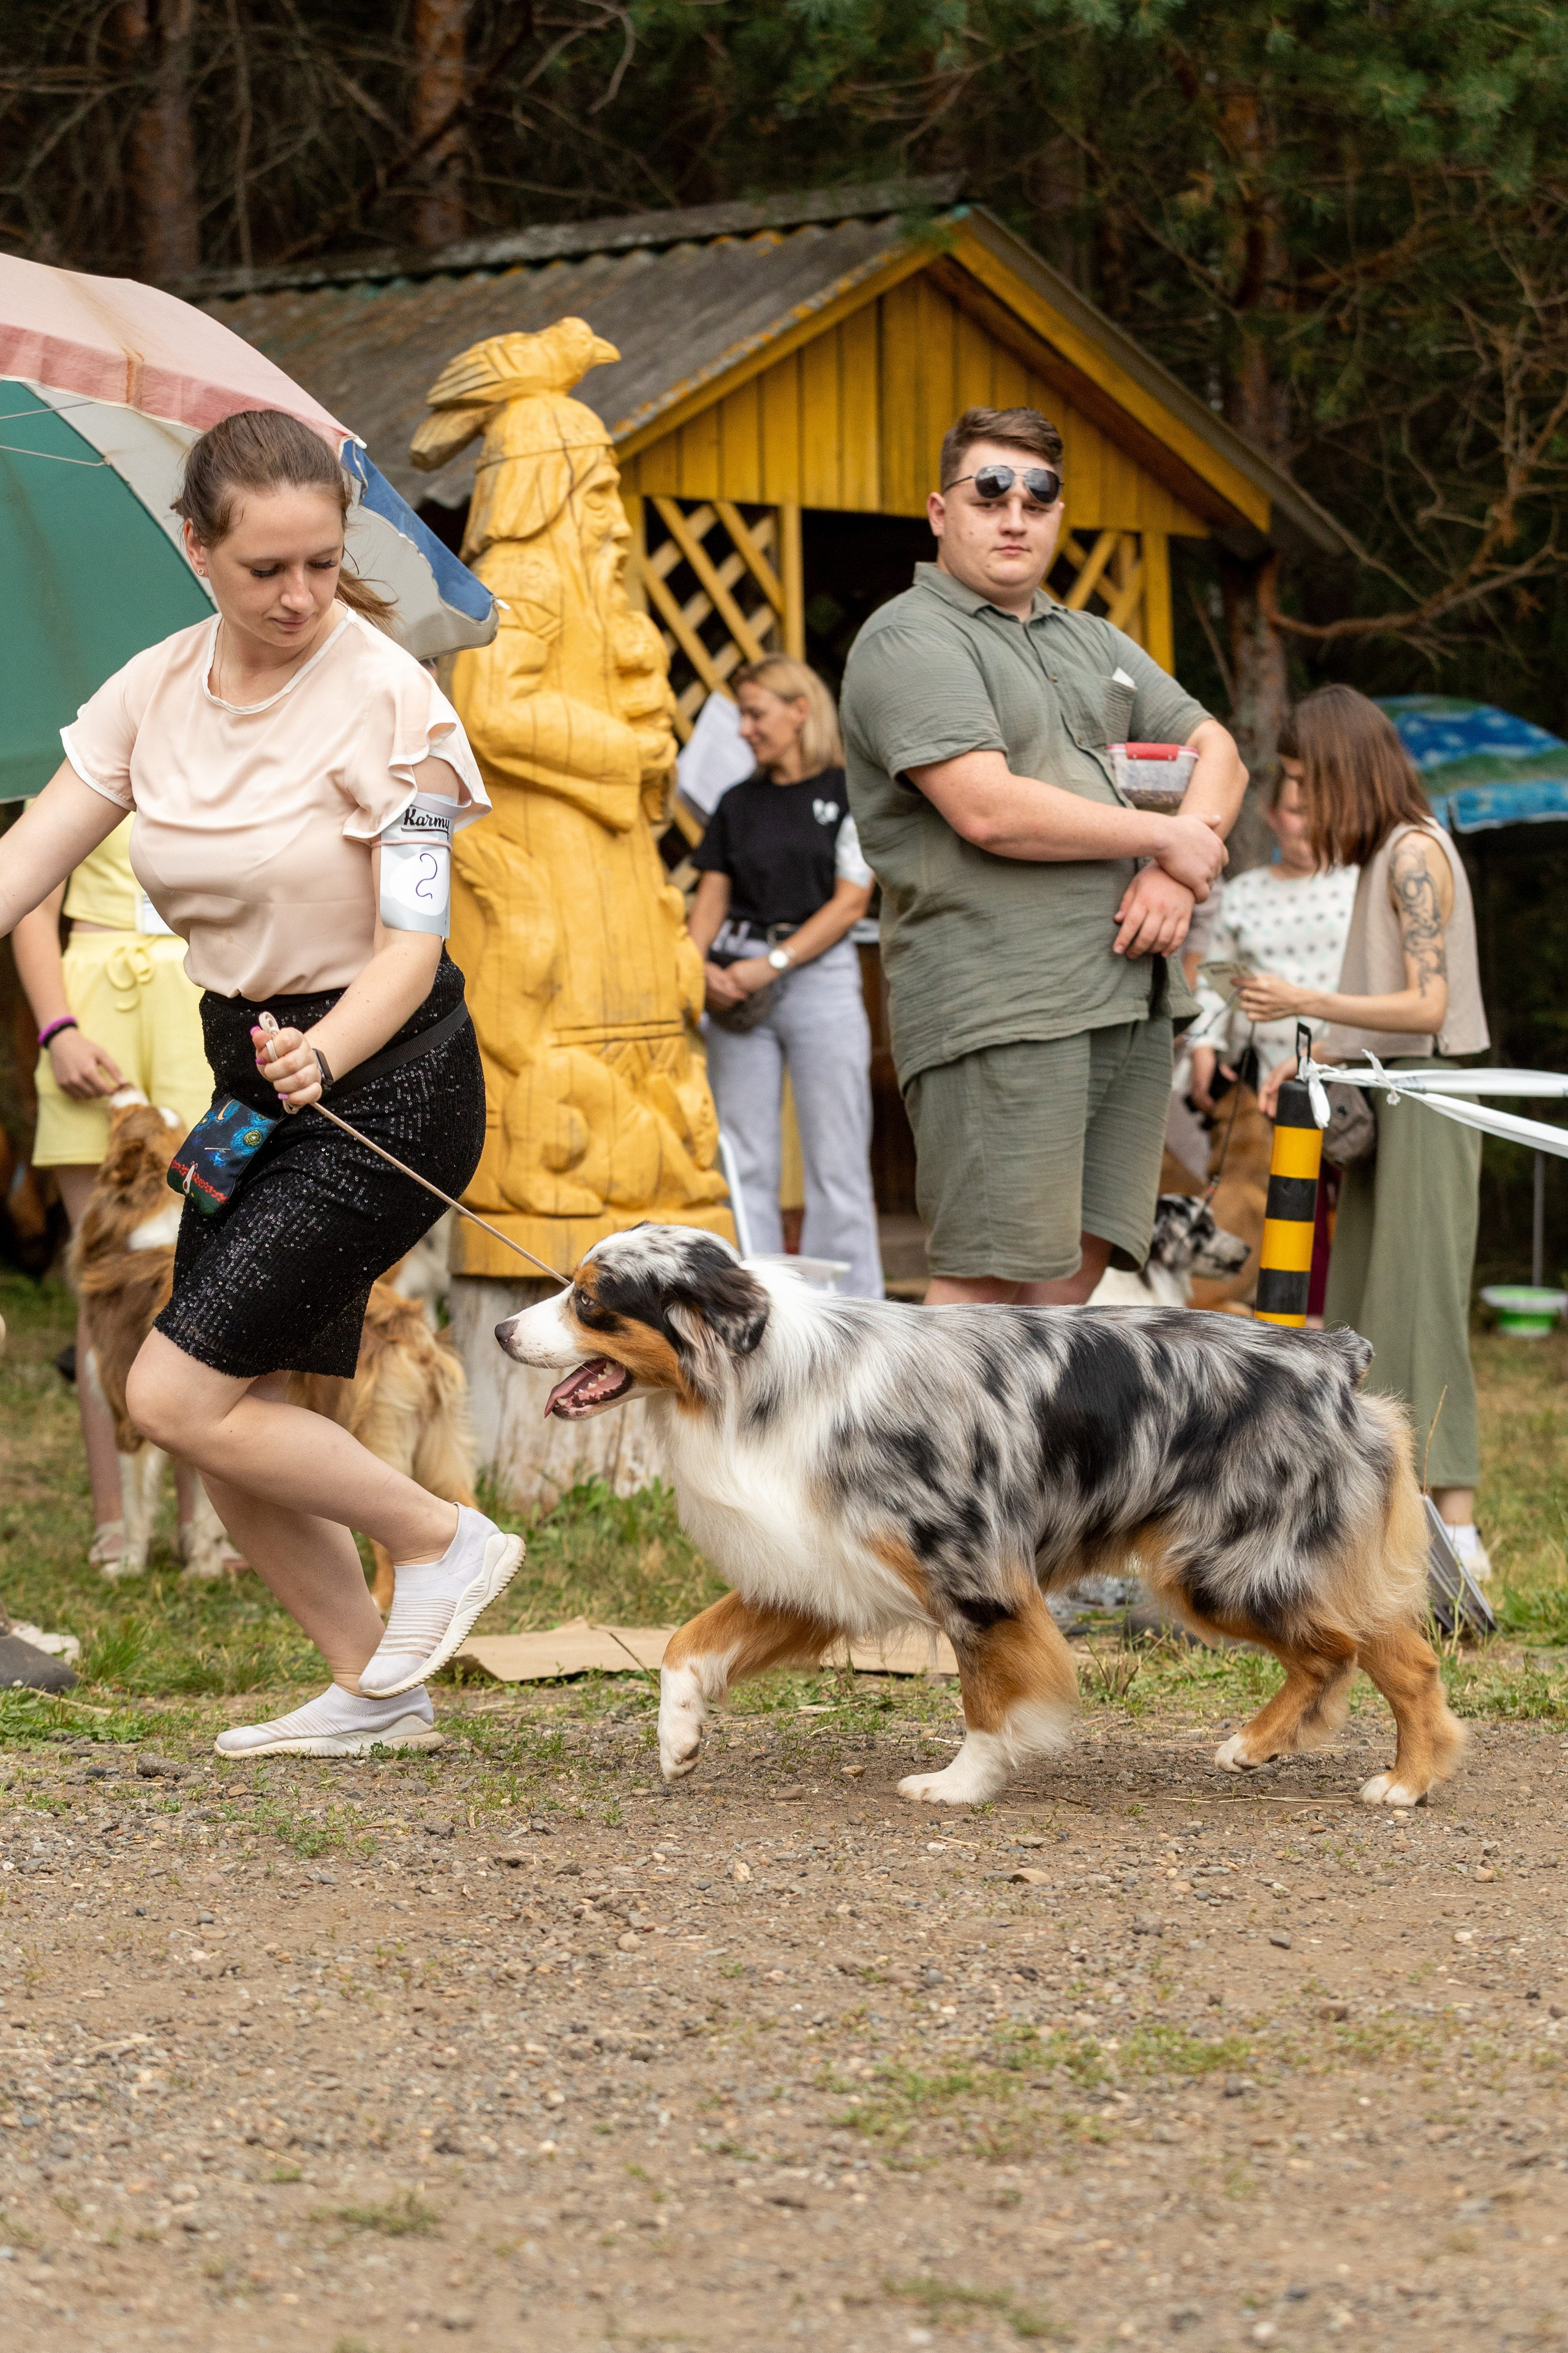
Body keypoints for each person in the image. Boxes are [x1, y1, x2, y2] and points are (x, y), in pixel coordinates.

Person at [0, 406, 522, 1756]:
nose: (301, 596)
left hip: (386, 1082)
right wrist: (275, 1059)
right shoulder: (151, 692)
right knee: (235, 1411)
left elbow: (412, 949)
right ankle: (374, 1690)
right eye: (265, 569)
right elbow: (27, 863)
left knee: (172, 1395)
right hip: (248, 1084)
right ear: (197, 549)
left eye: (322, 563)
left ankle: (443, 1539)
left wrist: (326, 1047)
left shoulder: (395, 701)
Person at [839, 404, 1246, 1303]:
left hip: (1126, 996)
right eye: (988, 496)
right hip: (1003, 1002)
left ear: (1057, 513)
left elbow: (1217, 748)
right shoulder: (910, 637)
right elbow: (986, 809)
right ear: (940, 512)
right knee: (988, 1283)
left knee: (1072, 1281)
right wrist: (1165, 836)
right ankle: (940, 1416)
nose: (1013, 517)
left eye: (1037, 498)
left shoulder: (1092, 638)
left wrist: (1178, 867)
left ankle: (1044, 1416)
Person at [1250, 685, 1490, 1574]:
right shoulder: (1384, 854)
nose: (1300, 804)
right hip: (1384, 1090)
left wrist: (1302, 999)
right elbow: (1384, 1011)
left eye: (1307, 782)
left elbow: (1427, 1007)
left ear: (1345, 772)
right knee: (1359, 1308)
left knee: (1421, 1306)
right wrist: (1312, 1055)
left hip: (1431, 1096)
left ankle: (1457, 1535)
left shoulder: (1415, 852)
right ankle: (1370, 1523)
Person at [12, 819, 216, 1572]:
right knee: (103, 1282)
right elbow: (30, 901)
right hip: (93, 998)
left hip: (201, 997)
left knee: (207, 1273)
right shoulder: (73, 754)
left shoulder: (224, 753)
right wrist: (57, 1029)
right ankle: (115, 1524)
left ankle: (207, 1524)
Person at [687, 657, 883, 1297]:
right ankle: (751, 1307)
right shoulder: (736, 802)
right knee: (743, 1158)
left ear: (801, 710)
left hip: (819, 978)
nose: (744, 728)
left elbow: (850, 903)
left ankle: (856, 1313)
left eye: (756, 713)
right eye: (742, 714)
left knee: (838, 1156)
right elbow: (710, 903)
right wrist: (696, 971)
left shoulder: (850, 792)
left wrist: (769, 964)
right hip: (737, 988)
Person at [1188, 768, 1358, 1111]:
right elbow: (1216, 981)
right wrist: (1202, 1048)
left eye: (1323, 812)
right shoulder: (1241, 893)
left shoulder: (1360, 884)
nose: (1311, 824)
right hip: (1254, 1079)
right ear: (1273, 816)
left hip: (1343, 1073)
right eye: (1297, 811)